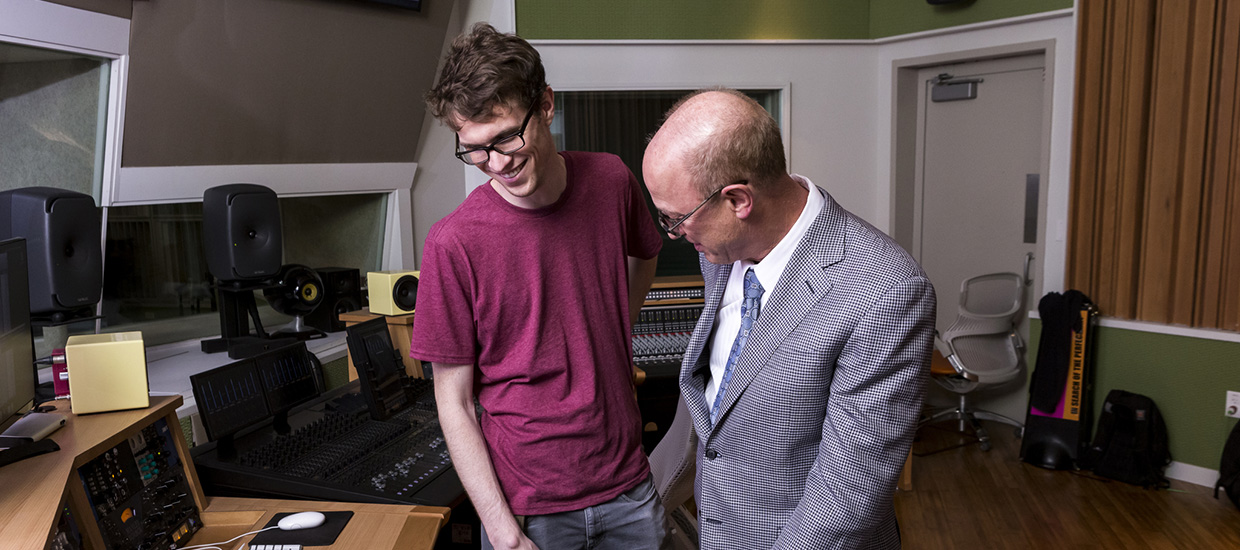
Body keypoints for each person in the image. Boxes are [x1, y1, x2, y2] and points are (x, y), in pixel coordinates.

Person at [409, 23, 667, 550]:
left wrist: (616, 325)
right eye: (475, 150)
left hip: (629, 486)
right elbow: (453, 403)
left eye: (506, 136)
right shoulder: (452, 243)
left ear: (545, 104)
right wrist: (503, 533)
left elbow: (645, 255)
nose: (496, 164)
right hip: (528, 512)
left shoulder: (612, 179)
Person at [643, 88, 936, 549]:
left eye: (677, 218)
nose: (675, 234)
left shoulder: (885, 291)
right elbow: (716, 404)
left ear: (739, 200)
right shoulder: (720, 250)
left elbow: (845, 498)